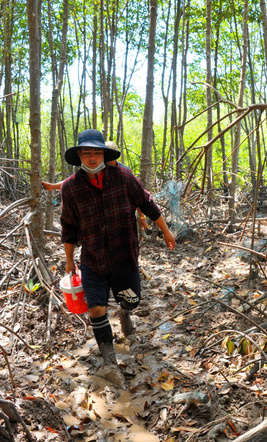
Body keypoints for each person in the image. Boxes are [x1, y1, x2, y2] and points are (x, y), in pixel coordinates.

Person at [60, 129, 175, 385]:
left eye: (96, 153)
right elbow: (68, 226)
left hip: (124, 255)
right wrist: (69, 259)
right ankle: (109, 361)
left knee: (131, 300)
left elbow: (146, 203)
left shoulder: (123, 176)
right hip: (93, 259)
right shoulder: (70, 188)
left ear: (104, 154)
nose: (92, 158)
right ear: (79, 155)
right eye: (87, 153)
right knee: (96, 308)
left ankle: (125, 313)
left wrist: (166, 231)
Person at [43, 141, 149, 231]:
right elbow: (74, 182)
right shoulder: (96, 169)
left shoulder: (125, 172)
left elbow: (138, 196)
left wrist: (142, 216)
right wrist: (53, 186)